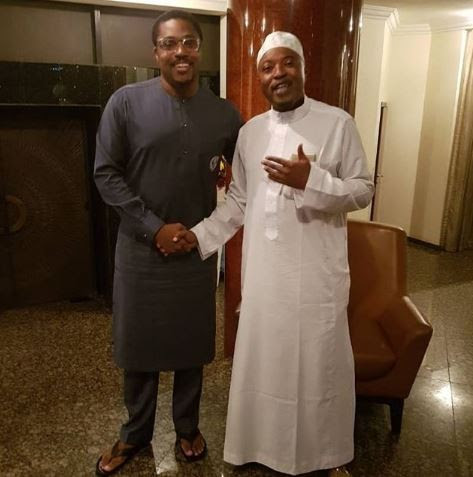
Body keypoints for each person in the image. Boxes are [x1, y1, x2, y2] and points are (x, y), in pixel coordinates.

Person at [180, 31, 374, 476]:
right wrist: (199, 236)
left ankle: (325, 456)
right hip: (265, 279)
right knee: (265, 364)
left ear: (302, 68)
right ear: (260, 78)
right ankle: (256, 447)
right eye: (267, 67)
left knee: (318, 365)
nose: (278, 73)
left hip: (316, 278)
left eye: (287, 63)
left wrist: (312, 181)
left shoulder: (337, 123)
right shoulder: (250, 133)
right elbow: (239, 201)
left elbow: (363, 190)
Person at [93, 9, 241, 476]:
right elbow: (106, 174)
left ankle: (187, 427)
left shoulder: (224, 113)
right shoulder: (125, 103)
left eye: (189, 42)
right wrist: (153, 227)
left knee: (191, 345)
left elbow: (241, 174)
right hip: (141, 251)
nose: (180, 52)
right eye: (169, 43)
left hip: (194, 252)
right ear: (155, 52)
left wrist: (206, 228)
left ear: (200, 49)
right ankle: (135, 433)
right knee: (138, 347)